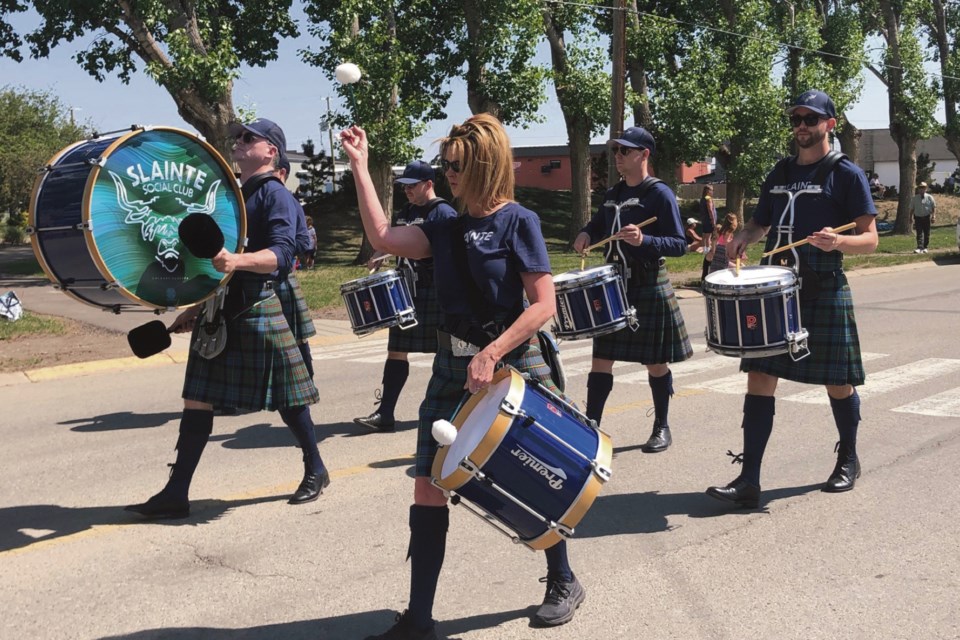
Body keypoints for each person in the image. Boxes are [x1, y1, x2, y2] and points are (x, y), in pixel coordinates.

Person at [341, 114, 584, 639]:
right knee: (428, 486)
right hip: (455, 366)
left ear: (483, 165)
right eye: (445, 165)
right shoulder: (443, 225)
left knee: (535, 478)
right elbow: (382, 235)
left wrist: (494, 350)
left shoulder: (519, 221)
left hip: (513, 361)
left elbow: (544, 305)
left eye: (457, 165)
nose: (449, 173)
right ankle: (420, 618)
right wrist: (360, 166)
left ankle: (562, 579)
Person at [125, 118, 330, 519]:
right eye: (237, 136)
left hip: (258, 301)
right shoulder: (232, 197)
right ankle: (176, 492)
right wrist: (197, 305)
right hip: (221, 304)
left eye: (248, 138)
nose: (238, 142)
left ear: (271, 150)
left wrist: (237, 260)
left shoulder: (276, 196)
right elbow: (215, 261)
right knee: (197, 398)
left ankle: (316, 467)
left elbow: (284, 256)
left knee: (288, 397)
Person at [705, 90, 878, 509]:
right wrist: (742, 239)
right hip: (776, 289)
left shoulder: (846, 174)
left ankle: (849, 460)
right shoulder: (779, 172)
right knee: (760, 377)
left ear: (829, 125)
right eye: (796, 118)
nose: (801, 125)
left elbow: (870, 240)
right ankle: (749, 479)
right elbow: (759, 224)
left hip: (822, 285)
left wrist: (838, 241)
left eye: (810, 119)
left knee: (837, 381)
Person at [572, 126, 693, 453]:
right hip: (613, 285)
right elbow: (598, 227)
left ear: (643, 154)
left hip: (646, 282)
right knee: (602, 358)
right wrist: (585, 234)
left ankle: (661, 426)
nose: (618, 157)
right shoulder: (612, 195)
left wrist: (646, 240)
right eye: (616, 151)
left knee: (655, 362)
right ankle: (590, 428)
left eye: (625, 151)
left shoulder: (659, 194)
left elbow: (680, 244)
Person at [353, 161, 458, 432]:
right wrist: (381, 253)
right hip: (407, 290)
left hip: (436, 289)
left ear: (429, 184)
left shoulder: (443, 212)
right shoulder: (406, 211)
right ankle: (385, 413)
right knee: (396, 350)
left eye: (412, 186)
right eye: (405, 187)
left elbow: (446, 252)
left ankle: (451, 413)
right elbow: (398, 241)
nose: (408, 191)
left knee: (447, 351)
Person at [909, 181, 936, 254]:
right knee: (919, 233)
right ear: (918, 189)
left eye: (923, 188)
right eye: (920, 188)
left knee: (927, 233)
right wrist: (910, 218)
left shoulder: (930, 197)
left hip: (926, 217)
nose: (922, 189)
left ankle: (925, 247)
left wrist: (933, 216)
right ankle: (919, 247)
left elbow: (933, 207)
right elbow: (911, 209)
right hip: (918, 218)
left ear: (926, 189)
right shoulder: (915, 198)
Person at [699, 185, 717, 283]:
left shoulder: (703, 198)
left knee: (705, 235)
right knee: (709, 235)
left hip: (704, 220)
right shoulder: (708, 198)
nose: (712, 192)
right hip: (709, 220)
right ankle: (709, 249)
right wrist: (713, 220)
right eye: (711, 190)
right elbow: (710, 210)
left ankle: (706, 249)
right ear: (708, 191)